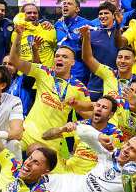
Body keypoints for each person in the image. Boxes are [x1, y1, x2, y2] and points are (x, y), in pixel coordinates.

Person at [7, 25, 93, 170]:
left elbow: (90, 115)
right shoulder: (44, 72)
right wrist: (18, 36)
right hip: (26, 135)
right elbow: (14, 60)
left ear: (73, 63)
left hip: (51, 141)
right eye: (57, 56)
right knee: (4, 154)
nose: (59, 58)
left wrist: (74, 121)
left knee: (57, 181)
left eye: (64, 57)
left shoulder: (80, 88)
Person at [43, 95, 121, 175]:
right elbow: (45, 136)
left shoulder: (115, 134)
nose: (99, 109)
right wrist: (62, 129)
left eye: (104, 107)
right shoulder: (80, 125)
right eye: (97, 105)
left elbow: (116, 162)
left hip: (91, 178)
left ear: (111, 115)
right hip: (68, 171)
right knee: (37, 149)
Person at [84, 1, 124, 100]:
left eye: (106, 13)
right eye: (100, 14)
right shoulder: (91, 34)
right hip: (96, 84)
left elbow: (121, 45)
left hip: (116, 83)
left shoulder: (122, 33)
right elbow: (86, 57)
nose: (102, 16)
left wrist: (118, 26)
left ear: (113, 16)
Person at [55, 0, 92, 84]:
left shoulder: (86, 24)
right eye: (64, 4)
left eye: (69, 4)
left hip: (79, 69)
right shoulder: (58, 24)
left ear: (77, 9)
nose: (65, 6)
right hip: (61, 67)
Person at [12, 2, 56, 67]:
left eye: (35, 13)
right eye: (29, 13)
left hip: (45, 74)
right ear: (22, 15)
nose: (32, 15)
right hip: (24, 74)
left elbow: (58, 50)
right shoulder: (16, 33)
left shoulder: (48, 29)